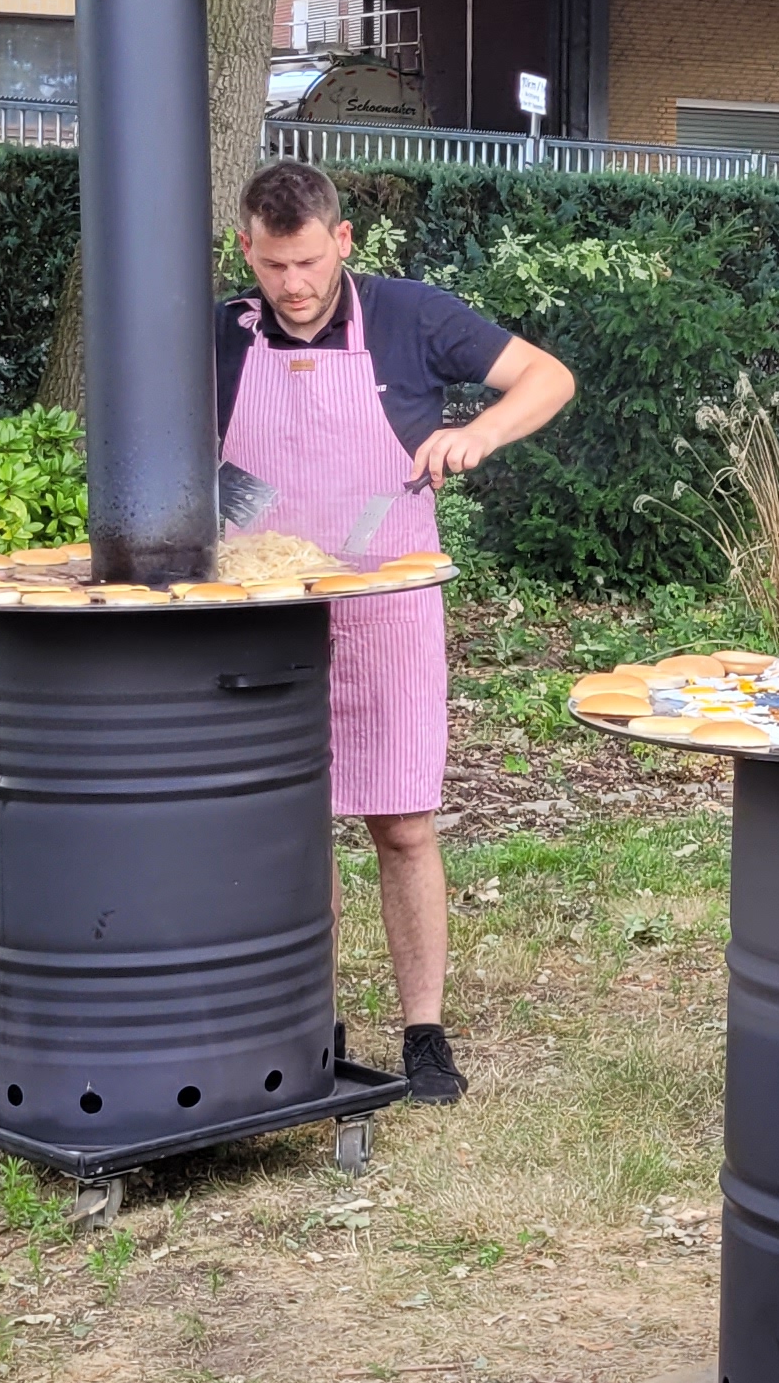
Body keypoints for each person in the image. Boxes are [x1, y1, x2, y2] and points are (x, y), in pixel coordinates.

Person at [215, 161, 577, 1104]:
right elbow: (176, 454)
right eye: (272, 265)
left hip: (390, 604)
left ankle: (424, 1034)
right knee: (291, 828)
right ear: (246, 250)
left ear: (342, 241)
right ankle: (309, 1024)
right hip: (264, 617)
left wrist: (478, 435)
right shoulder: (222, 335)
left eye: (307, 262)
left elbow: (548, 377)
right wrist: (228, 506)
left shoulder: (412, 316)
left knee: (403, 822)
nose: (292, 285)